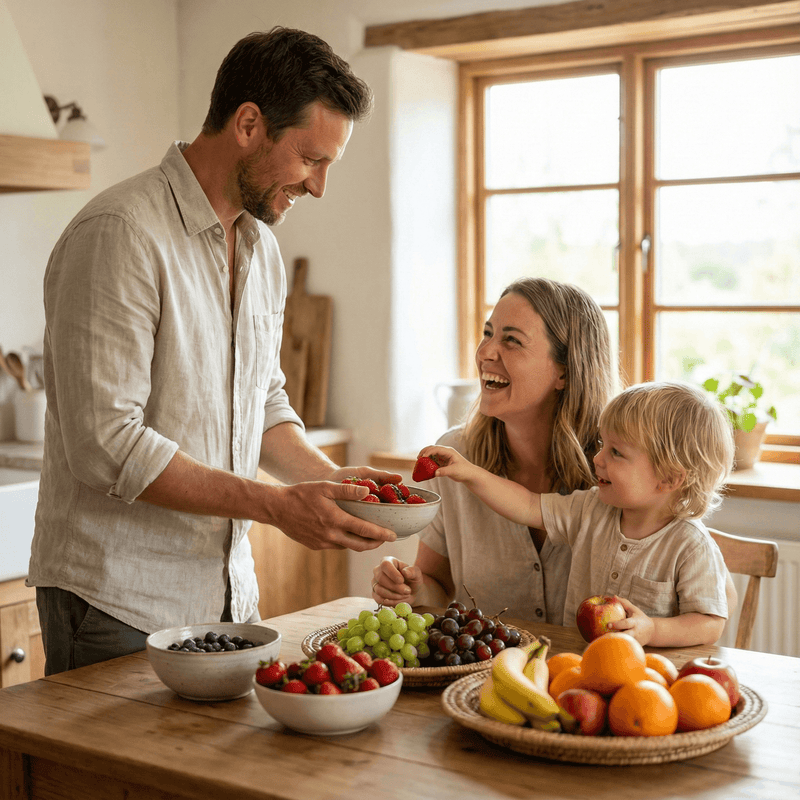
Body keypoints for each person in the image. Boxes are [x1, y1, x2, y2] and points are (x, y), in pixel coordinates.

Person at [28, 27, 402, 675]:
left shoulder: (261, 250)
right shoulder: (120, 234)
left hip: (228, 597)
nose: (318, 187)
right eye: (312, 159)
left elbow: (261, 400)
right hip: (118, 604)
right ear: (249, 123)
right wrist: (274, 505)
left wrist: (331, 482)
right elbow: (106, 444)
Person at [416, 381, 735, 647]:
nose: (597, 459)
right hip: (581, 665)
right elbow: (527, 505)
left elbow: (709, 623)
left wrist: (653, 630)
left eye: (616, 452)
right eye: (602, 444)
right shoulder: (592, 510)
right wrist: (470, 472)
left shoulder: (691, 544)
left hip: (651, 682)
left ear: (669, 478)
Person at [371, 277, 615, 623]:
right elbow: (438, 585)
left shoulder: (614, 466)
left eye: (512, 341)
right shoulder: (452, 455)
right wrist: (411, 589)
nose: (485, 352)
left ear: (564, 369)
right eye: (488, 334)